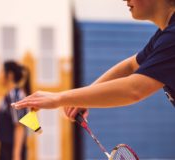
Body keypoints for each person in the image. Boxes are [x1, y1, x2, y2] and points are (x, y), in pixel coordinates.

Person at [12, 0, 175, 121]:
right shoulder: (163, 36)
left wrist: (58, 98)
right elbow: (131, 65)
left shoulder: (172, 36)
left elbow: (134, 89)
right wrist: (82, 99)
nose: (124, 0)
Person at [0, 61, 30, 160]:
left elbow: (19, 127)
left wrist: (16, 155)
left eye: (2, 71)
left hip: (12, 150)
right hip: (5, 148)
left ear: (9, 75)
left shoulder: (16, 96)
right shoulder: (8, 96)